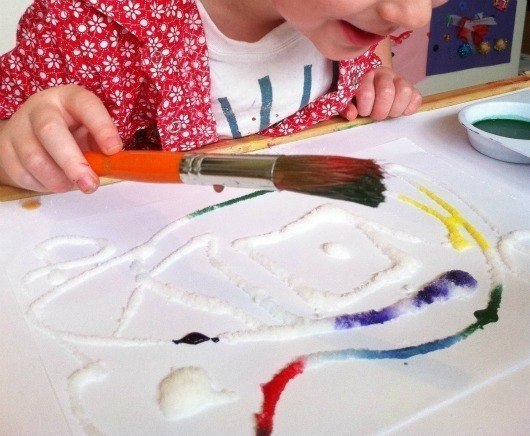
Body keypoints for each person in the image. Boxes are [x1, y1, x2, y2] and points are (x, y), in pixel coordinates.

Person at [0, 0, 446, 194]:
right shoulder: (88, 27)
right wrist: (14, 153)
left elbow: (375, 58)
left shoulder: (359, 21)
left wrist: (380, 79)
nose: (415, 15)